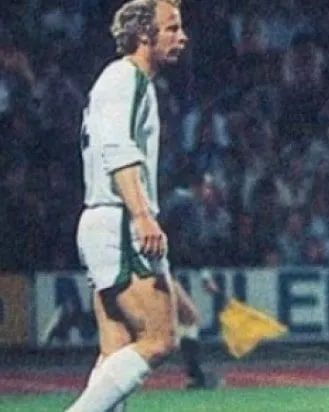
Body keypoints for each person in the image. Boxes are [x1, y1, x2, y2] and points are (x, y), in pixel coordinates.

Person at [68, 1, 188, 411]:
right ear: (143, 35)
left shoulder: (116, 80)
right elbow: (118, 149)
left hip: (100, 219)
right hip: (120, 219)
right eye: (171, 28)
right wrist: (141, 215)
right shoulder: (127, 78)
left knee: (116, 348)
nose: (182, 37)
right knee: (160, 339)